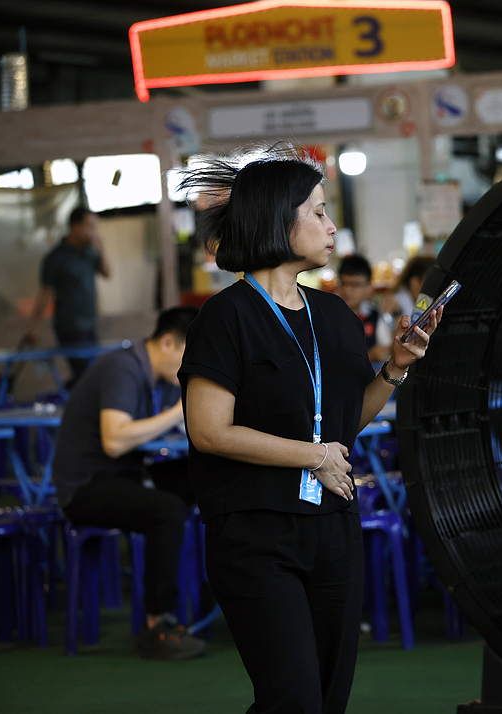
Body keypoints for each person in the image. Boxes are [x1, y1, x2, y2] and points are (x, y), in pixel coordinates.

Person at [177, 148, 441, 714]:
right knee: (291, 699)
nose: (332, 226)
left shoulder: (335, 315)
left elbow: (345, 423)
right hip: (254, 534)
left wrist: (396, 367)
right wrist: (311, 455)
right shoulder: (225, 318)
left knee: (325, 698)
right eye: (318, 213)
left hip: (333, 528)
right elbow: (208, 431)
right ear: (279, 221)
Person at [51, 305, 205, 660]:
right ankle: (158, 625)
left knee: (207, 479)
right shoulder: (123, 367)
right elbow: (115, 440)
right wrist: (176, 413)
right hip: (86, 485)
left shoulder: (157, 377)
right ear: (168, 343)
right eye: (190, 353)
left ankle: (214, 589)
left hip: (128, 473)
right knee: (166, 510)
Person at [24, 206, 111, 384]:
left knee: (89, 371)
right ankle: (72, 398)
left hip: (90, 322)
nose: (92, 232)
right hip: (70, 325)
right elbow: (45, 293)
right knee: (86, 373)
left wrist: (101, 248)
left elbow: (107, 273)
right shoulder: (56, 258)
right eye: (90, 227)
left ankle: (73, 395)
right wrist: (32, 327)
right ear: (75, 227)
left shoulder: (88, 252)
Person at [336, 253, 392, 363]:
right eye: (343, 283)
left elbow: (385, 351)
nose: (347, 290)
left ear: (369, 288)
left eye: (355, 285)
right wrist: (369, 356)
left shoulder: (375, 315)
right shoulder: (329, 316)